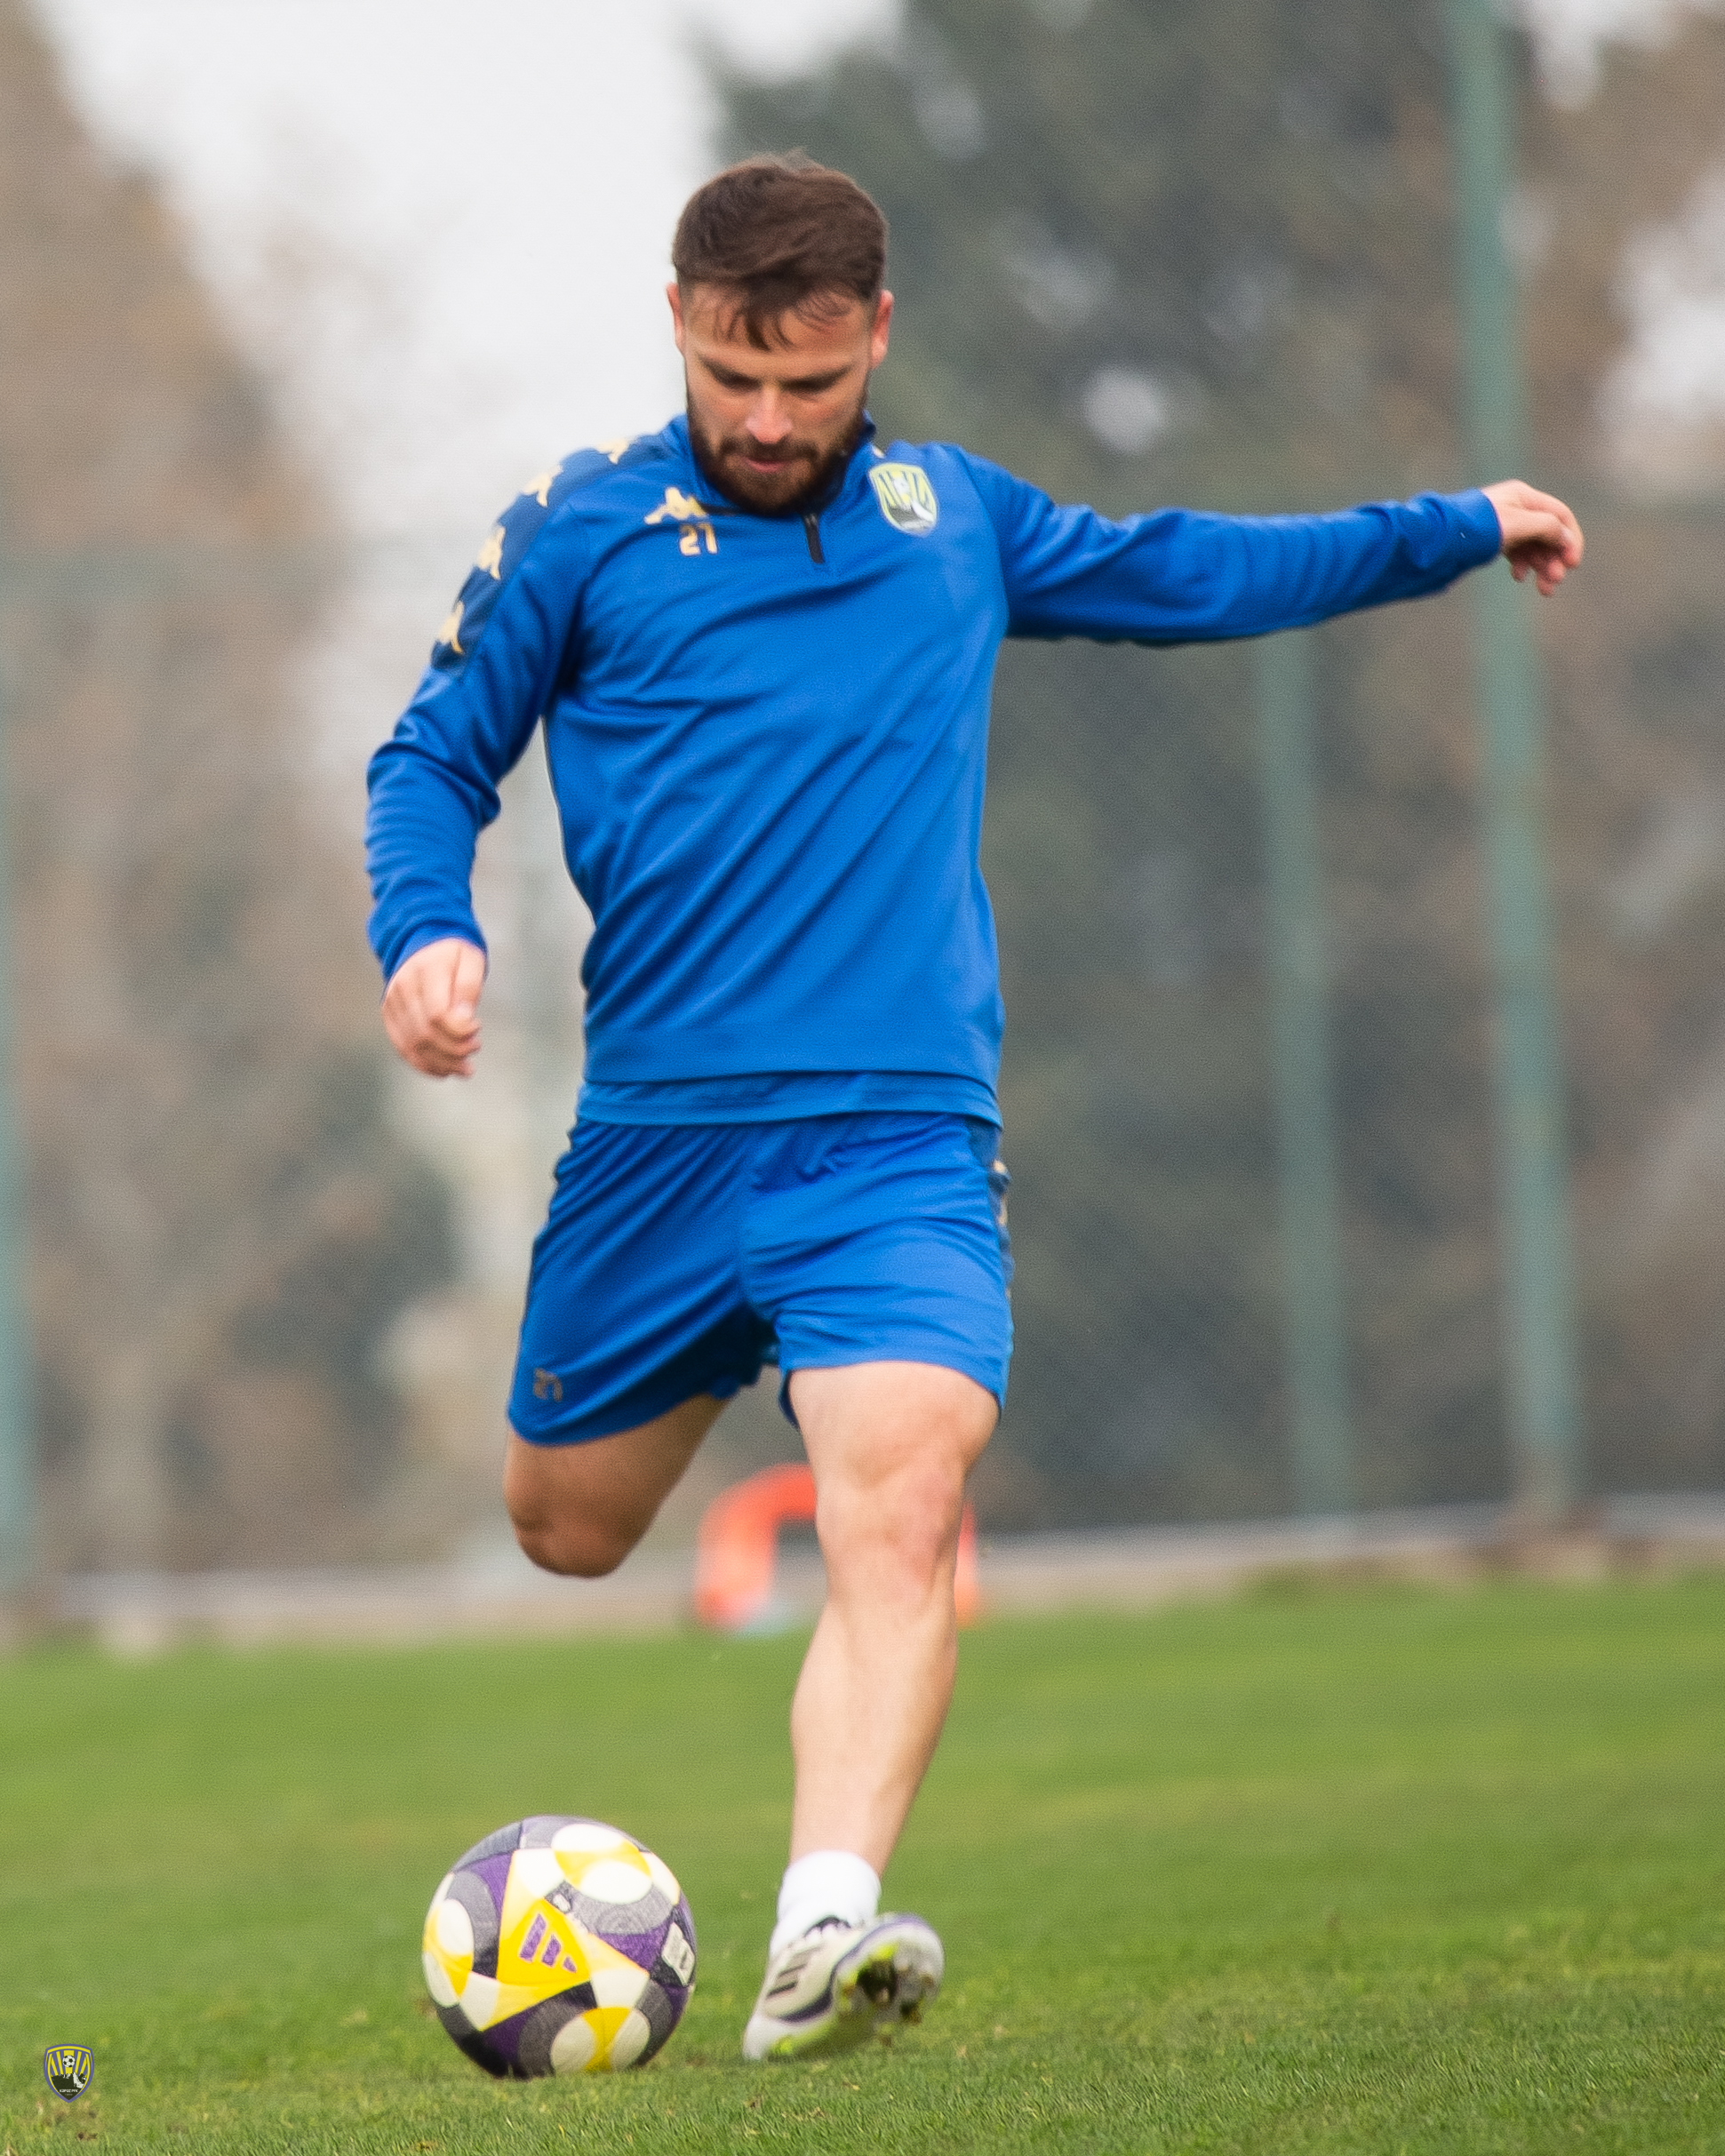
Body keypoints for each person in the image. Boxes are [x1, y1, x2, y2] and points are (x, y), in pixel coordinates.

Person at [365, 153, 1583, 2063]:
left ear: (878, 335)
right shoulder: (580, 531)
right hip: (658, 1150)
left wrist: (1444, 527)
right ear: (676, 324)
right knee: (566, 1525)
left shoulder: (957, 525)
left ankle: (818, 1931)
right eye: (733, 377)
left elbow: (1194, 569)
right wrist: (425, 929)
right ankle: (775, 1780)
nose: (771, 421)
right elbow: (430, 755)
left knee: (903, 1495)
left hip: (895, 1143)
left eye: (810, 381)